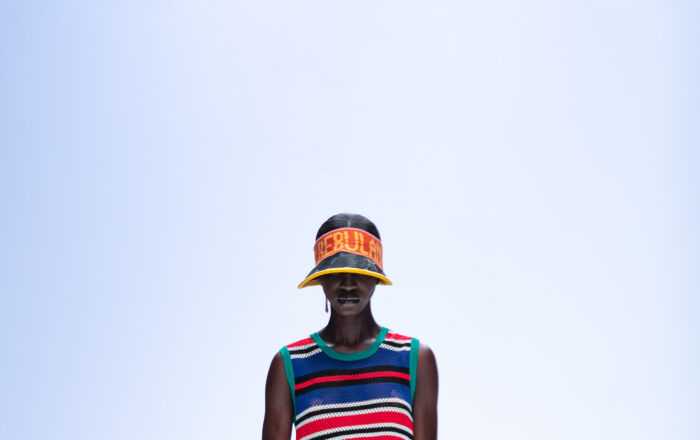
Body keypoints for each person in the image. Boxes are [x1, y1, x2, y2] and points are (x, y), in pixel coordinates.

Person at [262, 213, 438, 440]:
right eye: (335, 273)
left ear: (375, 278)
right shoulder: (290, 365)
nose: (347, 285)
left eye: (359, 272)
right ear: (321, 279)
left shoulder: (415, 359)